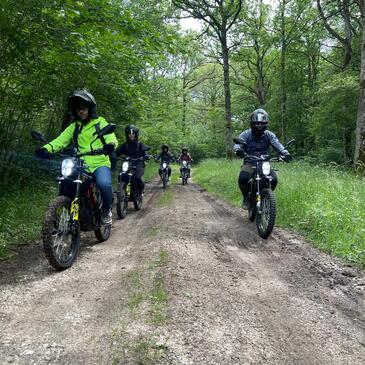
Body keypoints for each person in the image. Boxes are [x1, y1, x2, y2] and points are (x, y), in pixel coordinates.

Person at [35, 90, 118, 224]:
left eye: (84, 108)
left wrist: (110, 145)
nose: (81, 112)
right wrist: (46, 149)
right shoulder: (74, 127)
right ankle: (65, 213)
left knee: (104, 183)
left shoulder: (100, 123)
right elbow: (59, 141)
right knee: (66, 181)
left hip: (99, 162)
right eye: (78, 109)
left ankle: (107, 209)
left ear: (90, 109)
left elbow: (111, 138)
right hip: (81, 163)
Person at [233, 108, 292, 210]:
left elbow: (277, 144)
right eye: (257, 123)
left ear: (266, 123)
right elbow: (238, 144)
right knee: (243, 178)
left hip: (264, 162)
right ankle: (246, 197)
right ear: (252, 123)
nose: (259, 125)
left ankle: (266, 196)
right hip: (250, 161)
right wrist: (238, 150)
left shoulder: (269, 134)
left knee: (273, 179)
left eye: (262, 123)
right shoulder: (246, 134)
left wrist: (285, 153)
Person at [115, 125, 149, 196]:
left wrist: (145, 156)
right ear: (127, 135)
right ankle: (122, 193)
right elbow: (117, 153)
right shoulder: (125, 145)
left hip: (138, 163)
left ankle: (141, 189)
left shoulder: (139, 144)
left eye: (133, 134)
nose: (131, 135)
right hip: (127, 163)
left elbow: (145, 152)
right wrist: (113, 155)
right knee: (121, 175)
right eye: (129, 134)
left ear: (136, 134)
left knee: (136, 177)